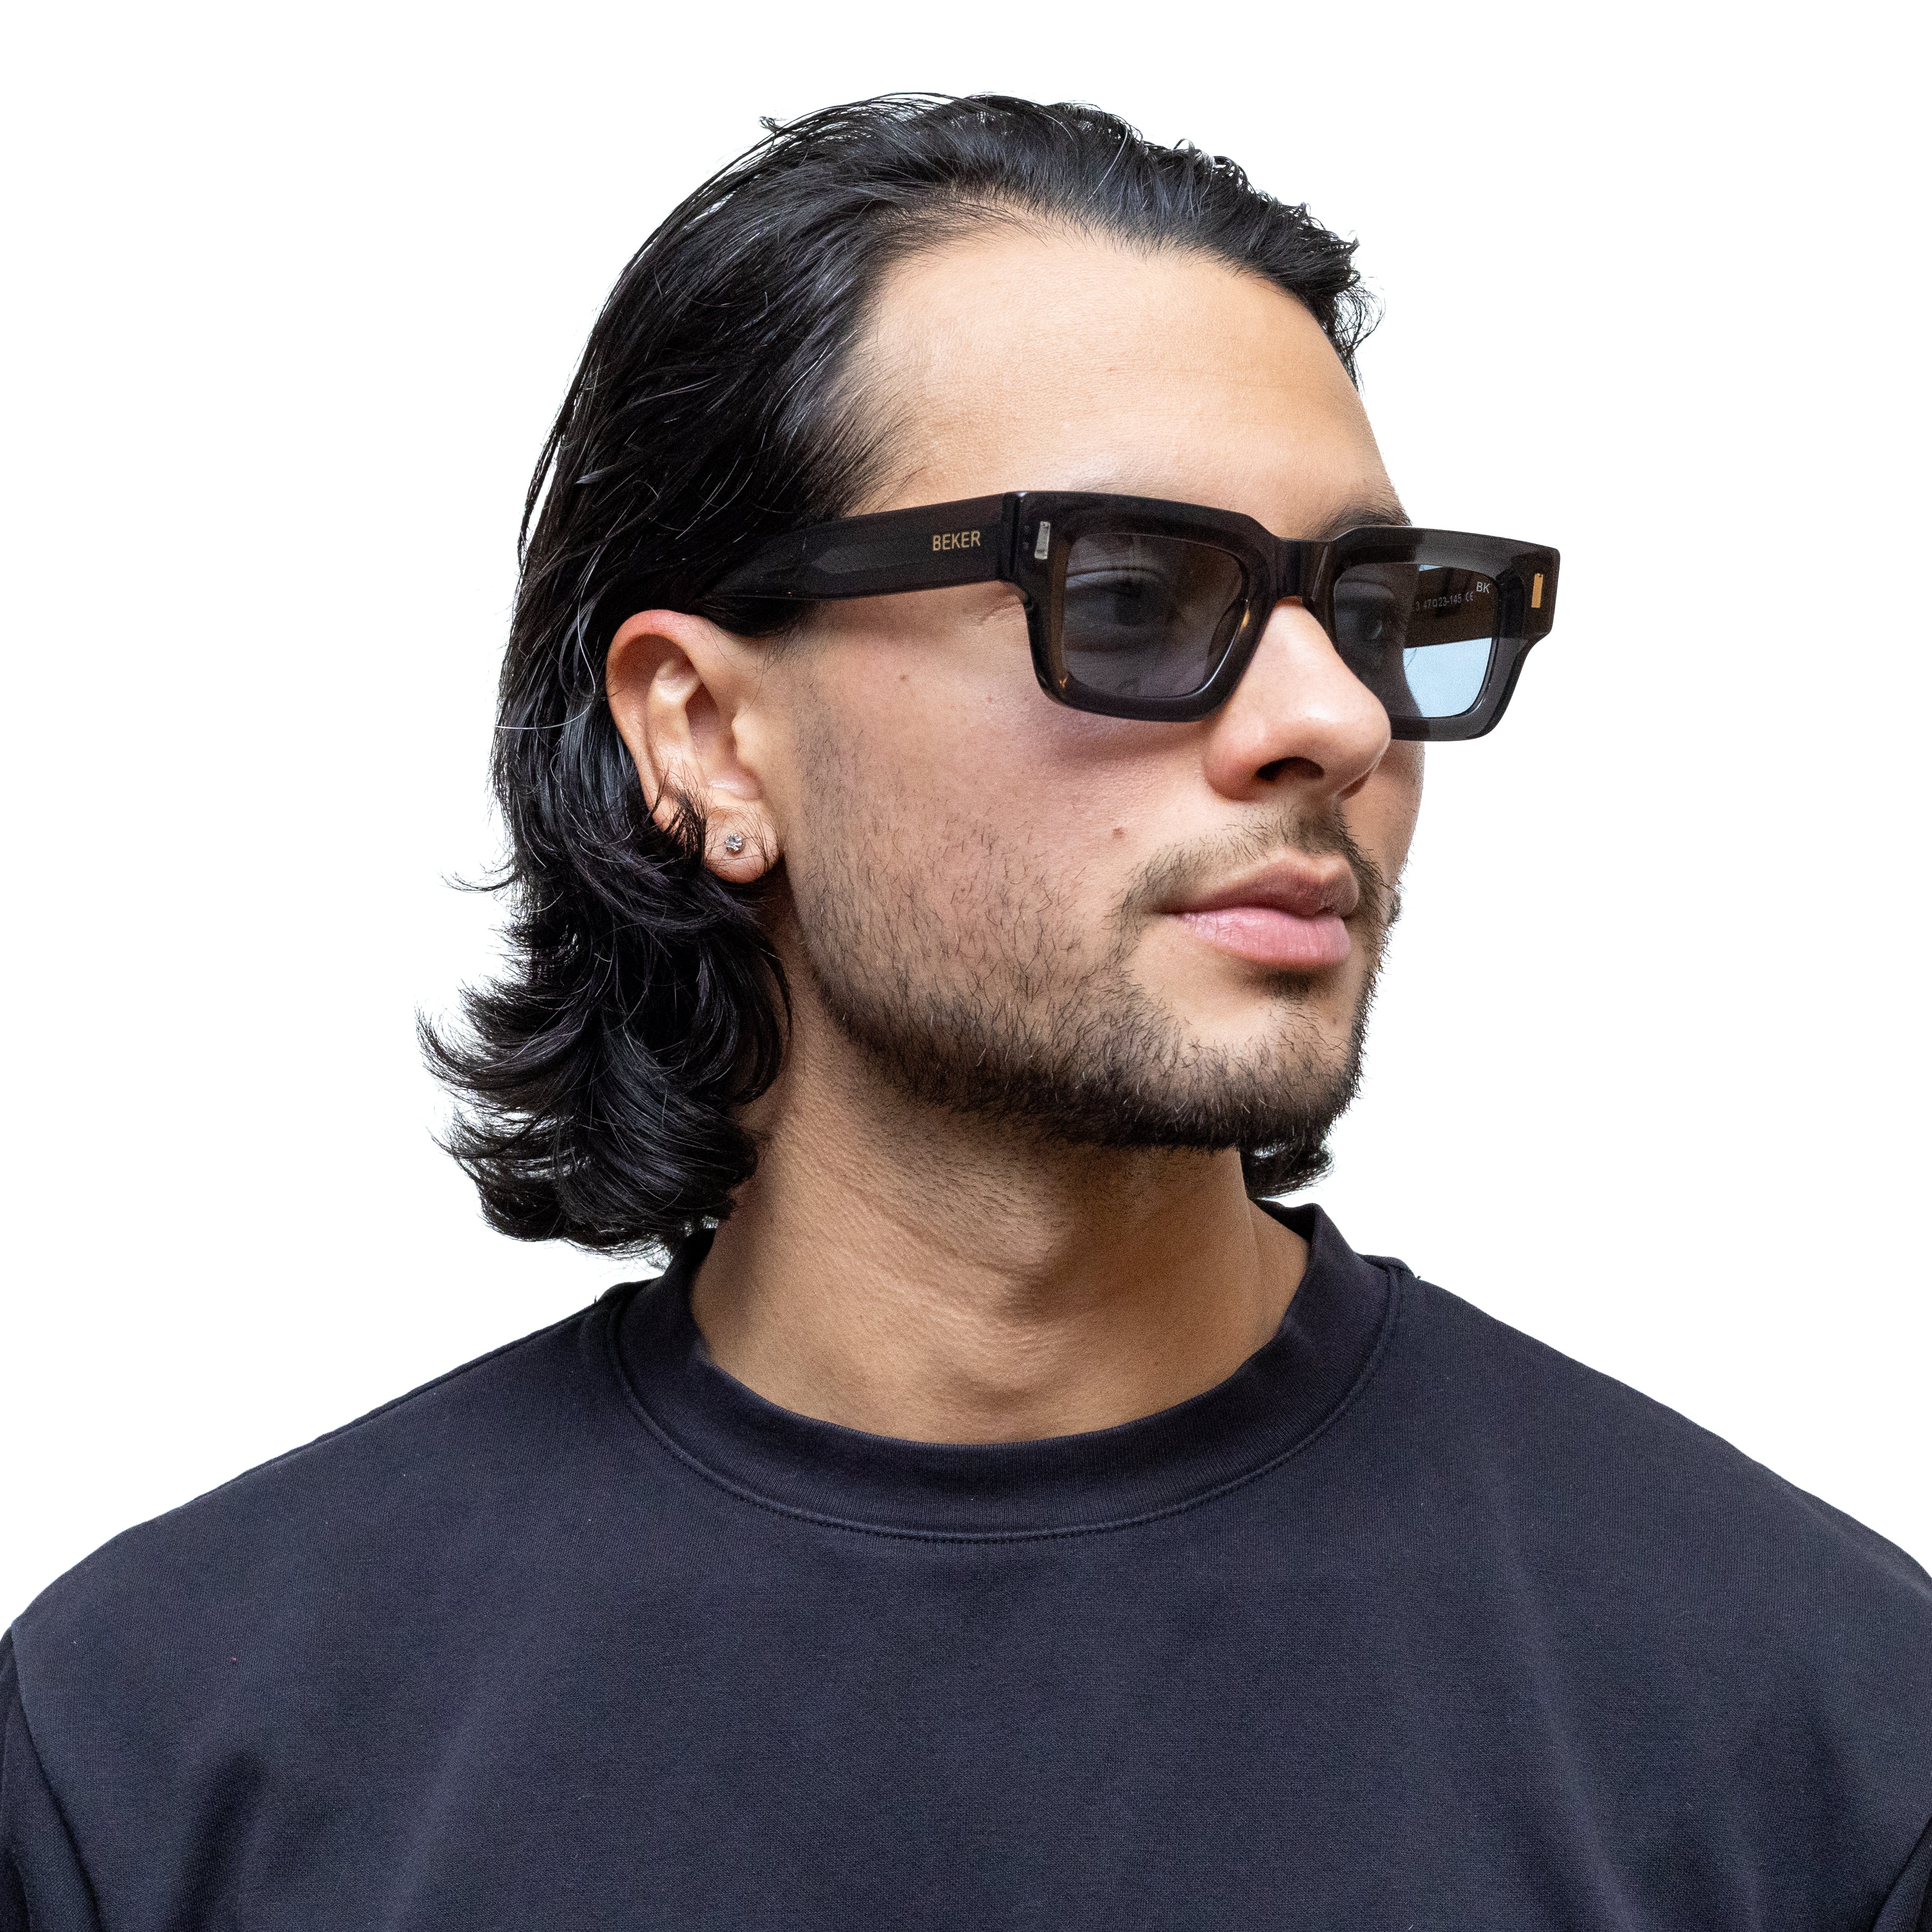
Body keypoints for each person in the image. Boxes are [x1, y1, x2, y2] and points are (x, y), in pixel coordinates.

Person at [3, 91, 1928, 1930]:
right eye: (1130, 594)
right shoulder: (155, 1752)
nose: (1333, 719)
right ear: (705, 732)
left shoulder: (1818, 1734)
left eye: (1374, 606)